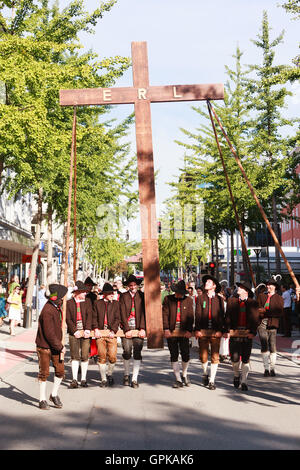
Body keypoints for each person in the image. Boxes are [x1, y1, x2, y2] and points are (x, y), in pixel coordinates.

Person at [35, 283, 68, 410]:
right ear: (57, 298)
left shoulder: (57, 307)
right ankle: (42, 399)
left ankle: (53, 395)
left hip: (55, 346)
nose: (64, 299)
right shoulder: (47, 311)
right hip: (45, 347)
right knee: (44, 373)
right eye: (62, 297)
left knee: (60, 371)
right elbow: (49, 334)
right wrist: (60, 346)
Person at [224, 281, 259, 391]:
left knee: (245, 358)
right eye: (239, 287)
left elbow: (255, 319)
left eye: (241, 287)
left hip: (247, 333)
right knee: (234, 359)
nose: (238, 288)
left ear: (246, 291)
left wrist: (253, 332)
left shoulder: (253, 303)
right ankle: (236, 374)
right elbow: (227, 317)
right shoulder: (231, 301)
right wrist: (227, 330)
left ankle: (244, 381)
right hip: (235, 332)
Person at [195, 275, 225, 390]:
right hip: (203, 331)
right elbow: (197, 315)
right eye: (206, 281)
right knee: (203, 357)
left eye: (208, 282)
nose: (206, 283)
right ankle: (205, 373)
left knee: (215, 356)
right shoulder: (201, 298)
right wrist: (197, 330)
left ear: (214, 286)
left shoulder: (219, 299)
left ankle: (212, 380)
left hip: (215, 332)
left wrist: (221, 331)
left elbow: (222, 316)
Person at [163, 280, 194, 388]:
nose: (178, 294)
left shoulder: (189, 300)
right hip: (171, 330)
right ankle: (178, 379)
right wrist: (166, 329)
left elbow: (191, 316)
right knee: (174, 354)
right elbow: (165, 314)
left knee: (185, 354)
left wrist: (189, 330)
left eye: (180, 293)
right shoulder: (168, 299)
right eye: (177, 292)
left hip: (184, 330)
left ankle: (184, 374)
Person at [119, 274, 146, 388]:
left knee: (137, 352)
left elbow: (146, 313)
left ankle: (134, 379)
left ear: (137, 285)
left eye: (135, 285)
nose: (133, 286)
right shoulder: (123, 296)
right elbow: (121, 313)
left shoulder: (142, 296)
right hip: (127, 327)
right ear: (128, 286)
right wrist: (126, 329)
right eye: (131, 285)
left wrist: (143, 328)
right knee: (127, 350)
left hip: (139, 327)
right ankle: (126, 374)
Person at [66, 280, 93, 388]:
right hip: (74, 332)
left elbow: (90, 316)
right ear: (77, 293)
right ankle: (74, 379)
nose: (85, 294)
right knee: (74, 355)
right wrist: (74, 331)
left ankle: (83, 379)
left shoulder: (87, 302)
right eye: (83, 292)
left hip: (85, 331)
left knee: (85, 355)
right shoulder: (69, 303)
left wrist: (87, 329)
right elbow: (68, 319)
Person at [93, 283, 121, 387]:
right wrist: (95, 329)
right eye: (109, 293)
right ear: (104, 294)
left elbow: (117, 318)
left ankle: (110, 374)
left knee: (113, 356)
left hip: (111, 333)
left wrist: (113, 330)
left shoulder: (116, 304)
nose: (112, 295)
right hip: (100, 332)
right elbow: (94, 317)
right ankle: (103, 379)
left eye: (112, 293)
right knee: (101, 356)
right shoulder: (97, 303)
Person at [257, 279, 284, 377]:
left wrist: (265, 312)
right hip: (262, 324)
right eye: (268, 285)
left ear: (275, 287)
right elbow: (257, 309)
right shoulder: (261, 296)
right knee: (264, 345)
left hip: (273, 324)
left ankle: (272, 368)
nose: (268, 287)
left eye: (271, 285)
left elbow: (280, 312)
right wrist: (261, 312)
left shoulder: (279, 298)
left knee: (272, 346)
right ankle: (266, 369)